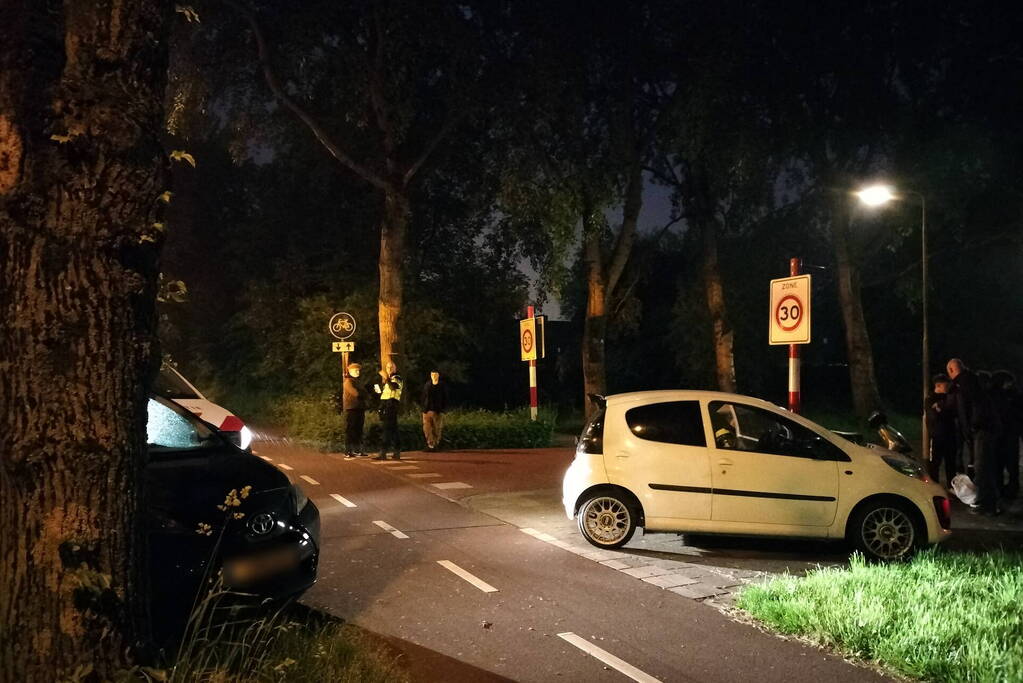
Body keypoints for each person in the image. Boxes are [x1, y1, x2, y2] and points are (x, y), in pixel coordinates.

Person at [946, 358, 1001, 515]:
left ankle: (988, 505)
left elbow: (964, 411)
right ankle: (988, 501)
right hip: (986, 428)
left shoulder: (962, 384)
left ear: (951, 370)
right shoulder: (972, 380)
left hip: (982, 429)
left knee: (982, 467)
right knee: (984, 466)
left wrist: (971, 429)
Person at [991, 370, 1021, 499]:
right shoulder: (997, 396)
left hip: (1007, 436)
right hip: (1004, 436)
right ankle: (1004, 488)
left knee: (1009, 465)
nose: (1010, 385)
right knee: (1002, 465)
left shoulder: (1014, 396)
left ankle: (1010, 489)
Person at [925, 373, 958, 486]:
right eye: (946, 384)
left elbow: (953, 413)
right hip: (937, 436)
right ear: (938, 385)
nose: (948, 386)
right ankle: (934, 487)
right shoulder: (930, 399)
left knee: (951, 464)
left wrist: (941, 408)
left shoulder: (949, 397)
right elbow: (934, 416)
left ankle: (952, 486)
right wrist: (942, 410)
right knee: (934, 463)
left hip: (950, 435)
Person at [373, 361, 403, 460]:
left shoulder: (397, 378)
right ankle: (397, 452)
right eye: (388, 367)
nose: (389, 369)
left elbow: (393, 387)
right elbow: (385, 393)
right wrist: (378, 392)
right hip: (387, 406)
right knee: (394, 430)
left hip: (391, 406)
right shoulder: (390, 379)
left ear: (395, 368)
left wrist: (386, 378)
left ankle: (383, 452)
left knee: (386, 430)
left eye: (391, 367)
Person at [342, 363, 370, 458]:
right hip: (352, 408)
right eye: (355, 370)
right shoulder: (348, 382)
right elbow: (356, 393)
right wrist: (363, 393)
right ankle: (348, 450)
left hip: (360, 408)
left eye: (358, 370)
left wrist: (363, 394)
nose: (357, 372)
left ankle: (358, 450)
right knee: (351, 430)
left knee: (359, 430)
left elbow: (366, 394)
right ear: (350, 371)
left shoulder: (358, 382)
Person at [421, 370, 449, 451]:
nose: (433, 376)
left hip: (437, 410)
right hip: (427, 410)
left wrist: (443, 409)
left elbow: (445, 397)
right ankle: (430, 444)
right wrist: (423, 407)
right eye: (432, 374)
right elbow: (423, 396)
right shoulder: (427, 384)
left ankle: (436, 444)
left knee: (437, 428)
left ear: (438, 375)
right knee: (427, 428)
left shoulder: (442, 385)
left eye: (435, 374)